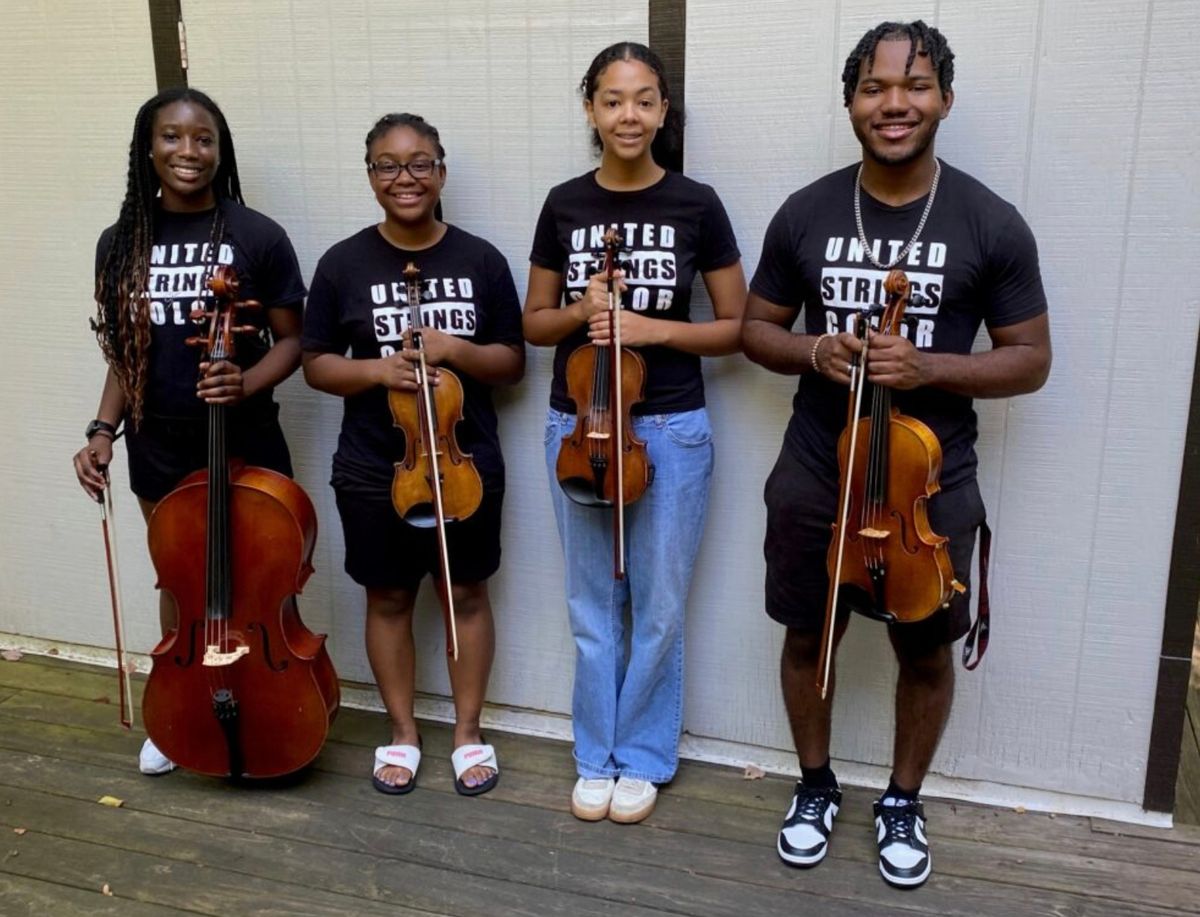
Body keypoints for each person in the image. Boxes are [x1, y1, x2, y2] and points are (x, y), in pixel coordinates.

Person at [743, 20, 1051, 887]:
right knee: (812, 634)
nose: (894, 104)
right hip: (818, 464)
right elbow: (754, 329)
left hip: (930, 478)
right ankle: (814, 785)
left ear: (945, 98)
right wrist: (814, 350)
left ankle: (903, 798)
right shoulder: (806, 209)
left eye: (915, 87)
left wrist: (930, 365)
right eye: (875, 88)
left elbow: (1031, 358)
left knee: (925, 649)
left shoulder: (990, 220)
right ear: (850, 101)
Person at [524, 42, 747, 824]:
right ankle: (597, 753)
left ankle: (644, 756)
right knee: (592, 602)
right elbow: (533, 322)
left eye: (645, 100)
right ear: (590, 108)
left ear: (663, 112)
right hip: (581, 422)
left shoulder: (697, 203)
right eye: (613, 100)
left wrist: (648, 327)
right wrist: (585, 316)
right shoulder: (563, 203)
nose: (629, 115)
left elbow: (733, 328)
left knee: (658, 603)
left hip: (672, 426)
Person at [72, 88, 306, 777]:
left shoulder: (257, 234)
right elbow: (123, 353)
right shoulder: (118, 243)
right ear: (148, 149)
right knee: (180, 583)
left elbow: (294, 341)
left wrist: (247, 380)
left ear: (219, 150)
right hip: (158, 439)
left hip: (246, 440)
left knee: (258, 581)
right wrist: (101, 429)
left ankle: (268, 700)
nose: (189, 152)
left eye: (203, 139)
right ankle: (185, 706)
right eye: (172, 138)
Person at [302, 113, 524, 797]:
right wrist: (377, 372)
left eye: (420, 162)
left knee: (466, 591)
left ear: (442, 172)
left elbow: (512, 361)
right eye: (388, 165)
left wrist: (455, 350)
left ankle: (467, 733)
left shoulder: (480, 259)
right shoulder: (342, 263)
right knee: (389, 595)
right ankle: (401, 732)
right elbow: (313, 363)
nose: (406, 177)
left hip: (464, 458)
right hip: (376, 463)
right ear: (370, 176)